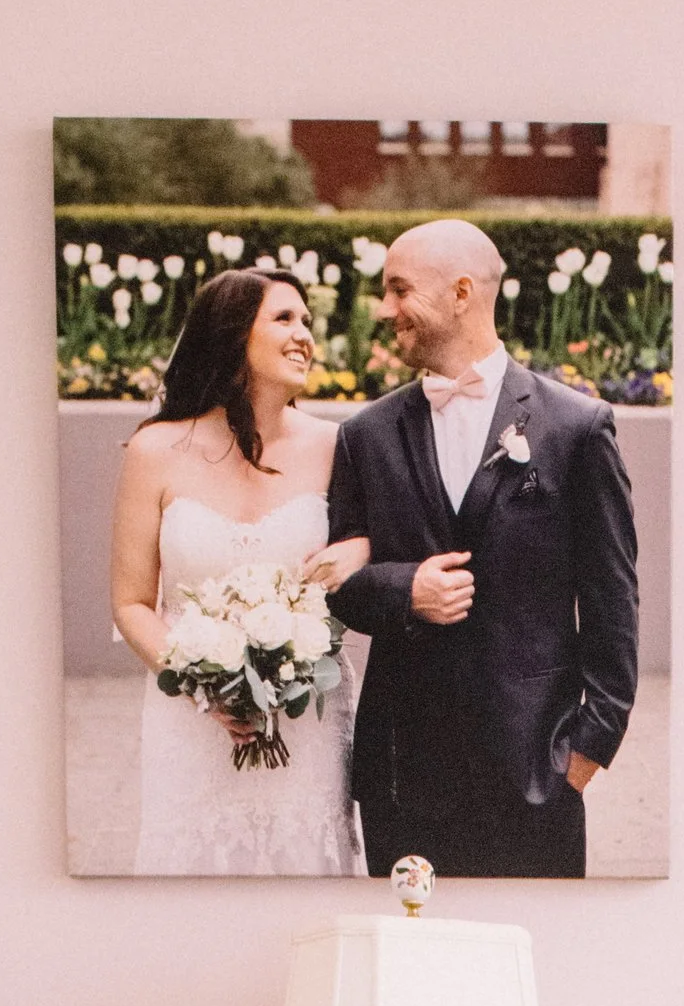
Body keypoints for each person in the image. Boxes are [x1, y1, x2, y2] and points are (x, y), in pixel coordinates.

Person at [325, 219, 639, 877]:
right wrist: (403, 589)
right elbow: (341, 581)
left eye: (398, 290)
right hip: (403, 778)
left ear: (462, 292)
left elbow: (613, 603)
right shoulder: (365, 436)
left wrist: (583, 754)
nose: (385, 310)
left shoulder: (577, 429)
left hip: (536, 775)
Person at [109, 268, 368, 875]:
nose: (304, 333)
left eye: (307, 320)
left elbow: (389, 537)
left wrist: (363, 549)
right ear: (231, 334)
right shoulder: (155, 451)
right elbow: (130, 603)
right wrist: (205, 685)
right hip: (192, 722)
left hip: (306, 722)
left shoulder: (340, 446)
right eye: (284, 318)